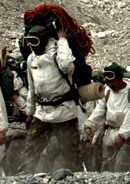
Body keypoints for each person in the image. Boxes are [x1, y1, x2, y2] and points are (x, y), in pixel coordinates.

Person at [20, 25, 81, 173]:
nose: (32, 46)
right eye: (29, 42)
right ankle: (24, 176)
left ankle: (79, 178)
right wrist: (30, 112)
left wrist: (62, 41)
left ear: (43, 40)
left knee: (71, 154)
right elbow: (32, 89)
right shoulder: (31, 60)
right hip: (42, 114)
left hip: (64, 113)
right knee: (30, 149)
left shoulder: (57, 56)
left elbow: (67, 64)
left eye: (34, 42)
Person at [83, 62, 130, 172]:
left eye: (112, 81)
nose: (110, 84)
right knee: (105, 169)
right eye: (108, 82)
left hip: (125, 138)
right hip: (108, 135)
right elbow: (99, 110)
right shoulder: (107, 91)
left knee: (120, 168)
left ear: (120, 78)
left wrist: (122, 136)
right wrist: (90, 125)